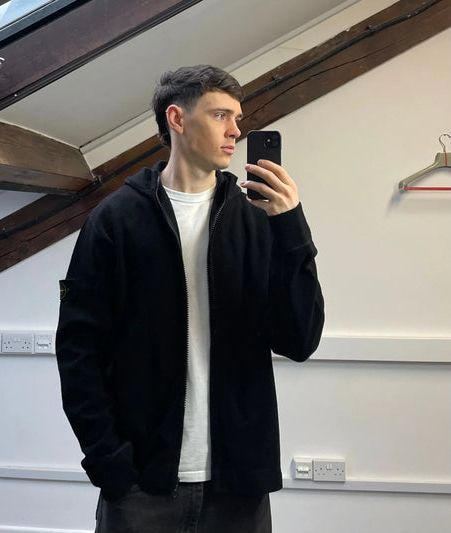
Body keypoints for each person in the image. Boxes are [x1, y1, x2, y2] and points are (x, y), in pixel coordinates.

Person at [56, 64, 324, 533]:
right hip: (140, 484)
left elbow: (299, 340)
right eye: (221, 115)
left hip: (238, 484)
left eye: (238, 118)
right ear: (177, 119)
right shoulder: (116, 219)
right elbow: (79, 351)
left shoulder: (258, 218)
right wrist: (108, 462)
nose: (235, 131)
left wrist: (291, 227)